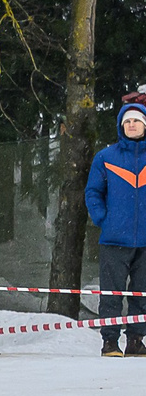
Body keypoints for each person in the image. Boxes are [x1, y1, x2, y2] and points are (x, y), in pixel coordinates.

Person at [83, 92, 146, 357]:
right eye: (127, 121)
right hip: (113, 240)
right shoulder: (105, 157)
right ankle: (110, 342)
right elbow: (93, 192)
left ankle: (136, 341)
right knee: (111, 294)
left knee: (141, 295)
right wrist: (102, 219)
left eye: (137, 120)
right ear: (121, 125)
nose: (132, 125)